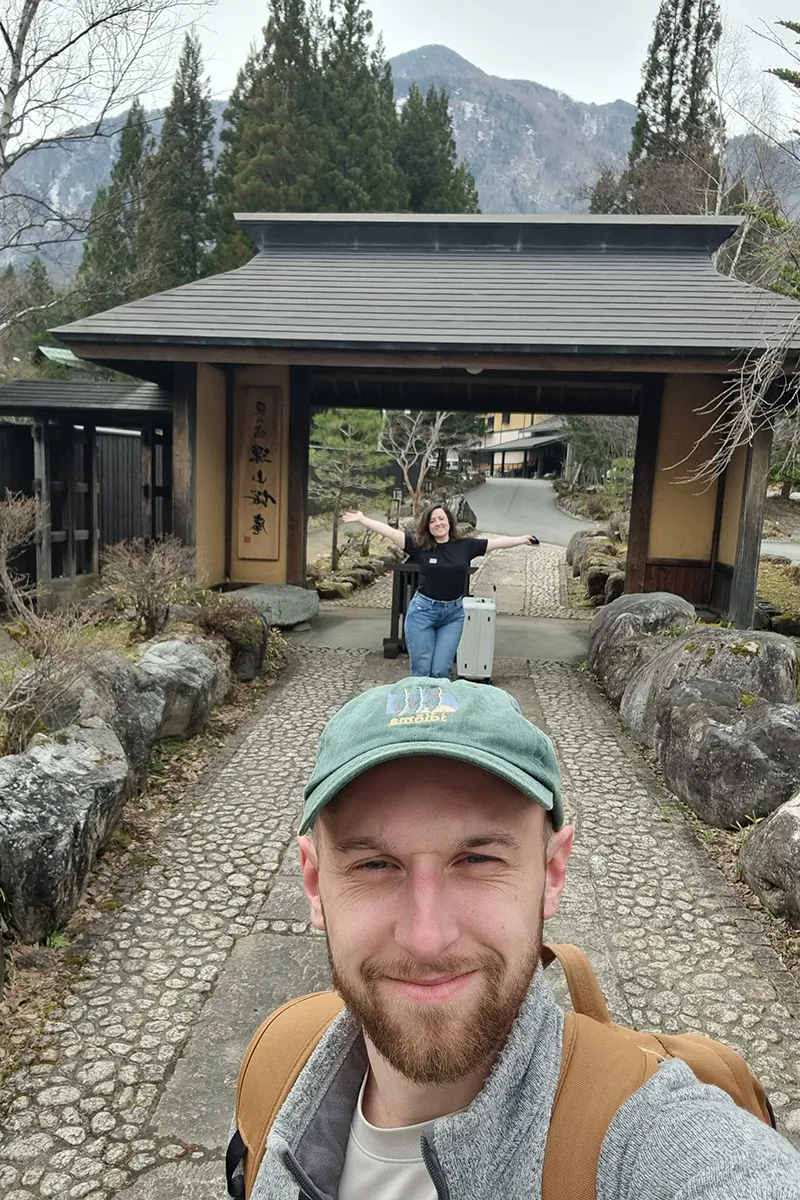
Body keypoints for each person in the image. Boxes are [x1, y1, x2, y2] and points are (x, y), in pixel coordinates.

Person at [235, 677, 800, 1200]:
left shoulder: (655, 1138)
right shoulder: (276, 1066)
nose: (428, 939)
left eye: (478, 859)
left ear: (552, 873)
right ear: (314, 884)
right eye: (375, 865)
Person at [342, 505, 539, 676]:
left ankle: (437, 714)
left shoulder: (466, 546)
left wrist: (522, 539)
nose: (438, 523)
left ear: (449, 522)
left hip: (453, 615)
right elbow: (390, 532)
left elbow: (497, 543)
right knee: (422, 669)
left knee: (441, 670)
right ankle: (420, 713)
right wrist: (363, 519)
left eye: (441, 519)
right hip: (423, 612)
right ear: (428, 526)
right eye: (433, 521)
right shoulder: (421, 546)